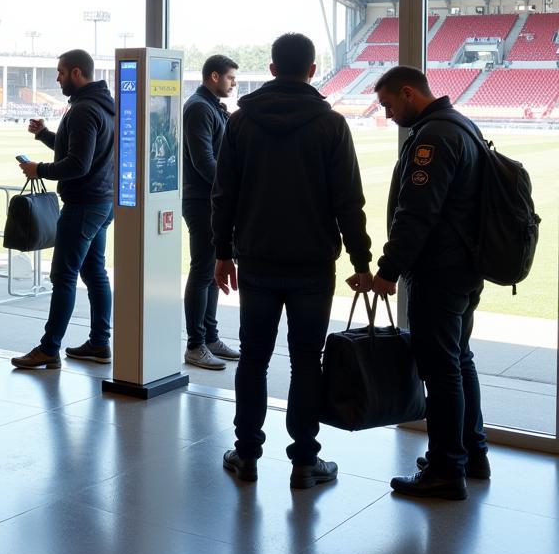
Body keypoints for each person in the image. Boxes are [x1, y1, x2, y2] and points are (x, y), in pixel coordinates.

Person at [213, 33, 372, 489]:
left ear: (271, 68)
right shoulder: (331, 125)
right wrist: (361, 261)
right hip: (312, 265)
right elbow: (349, 203)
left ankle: (246, 455)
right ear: (313, 70)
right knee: (307, 362)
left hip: (257, 262)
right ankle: (305, 460)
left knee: (254, 361)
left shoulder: (241, 123)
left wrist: (222, 253)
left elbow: (224, 197)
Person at [372, 66, 489, 501]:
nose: (387, 114)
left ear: (408, 93)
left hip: (439, 272)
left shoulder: (433, 137)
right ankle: (471, 453)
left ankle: (445, 468)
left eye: (388, 104)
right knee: (459, 361)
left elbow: (417, 214)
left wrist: (388, 270)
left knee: (441, 371)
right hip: (464, 269)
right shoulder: (462, 124)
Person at [12, 49, 115, 369]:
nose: (56, 79)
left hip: (84, 204)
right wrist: (44, 135)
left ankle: (49, 348)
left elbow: (77, 164)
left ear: (76, 73)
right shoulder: (102, 106)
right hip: (102, 201)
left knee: (64, 276)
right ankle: (99, 342)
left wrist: (38, 169)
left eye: (60, 72)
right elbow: (79, 150)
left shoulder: (84, 110)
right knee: (94, 272)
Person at [182, 54, 240, 371]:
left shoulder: (212, 107)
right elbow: (204, 162)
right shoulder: (199, 108)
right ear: (214, 76)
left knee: (214, 273)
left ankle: (210, 337)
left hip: (212, 199)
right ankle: (195, 344)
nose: (233, 84)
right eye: (231, 78)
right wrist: (232, 188)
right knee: (204, 270)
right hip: (202, 200)